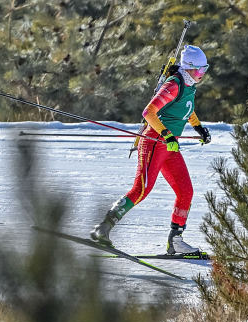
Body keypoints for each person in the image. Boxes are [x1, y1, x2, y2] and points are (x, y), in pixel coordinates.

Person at [91, 45, 212, 255]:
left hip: (169, 146)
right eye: (200, 70)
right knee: (141, 190)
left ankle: (176, 240)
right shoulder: (174, 84)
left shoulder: (189, 85)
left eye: (205, 70)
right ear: (190, 68)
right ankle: (103, 228)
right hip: (155, 142)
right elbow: (149, 112)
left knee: (186, 191)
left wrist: (199, 128)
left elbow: (186, 109)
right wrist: (166, 134)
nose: (202, 75)